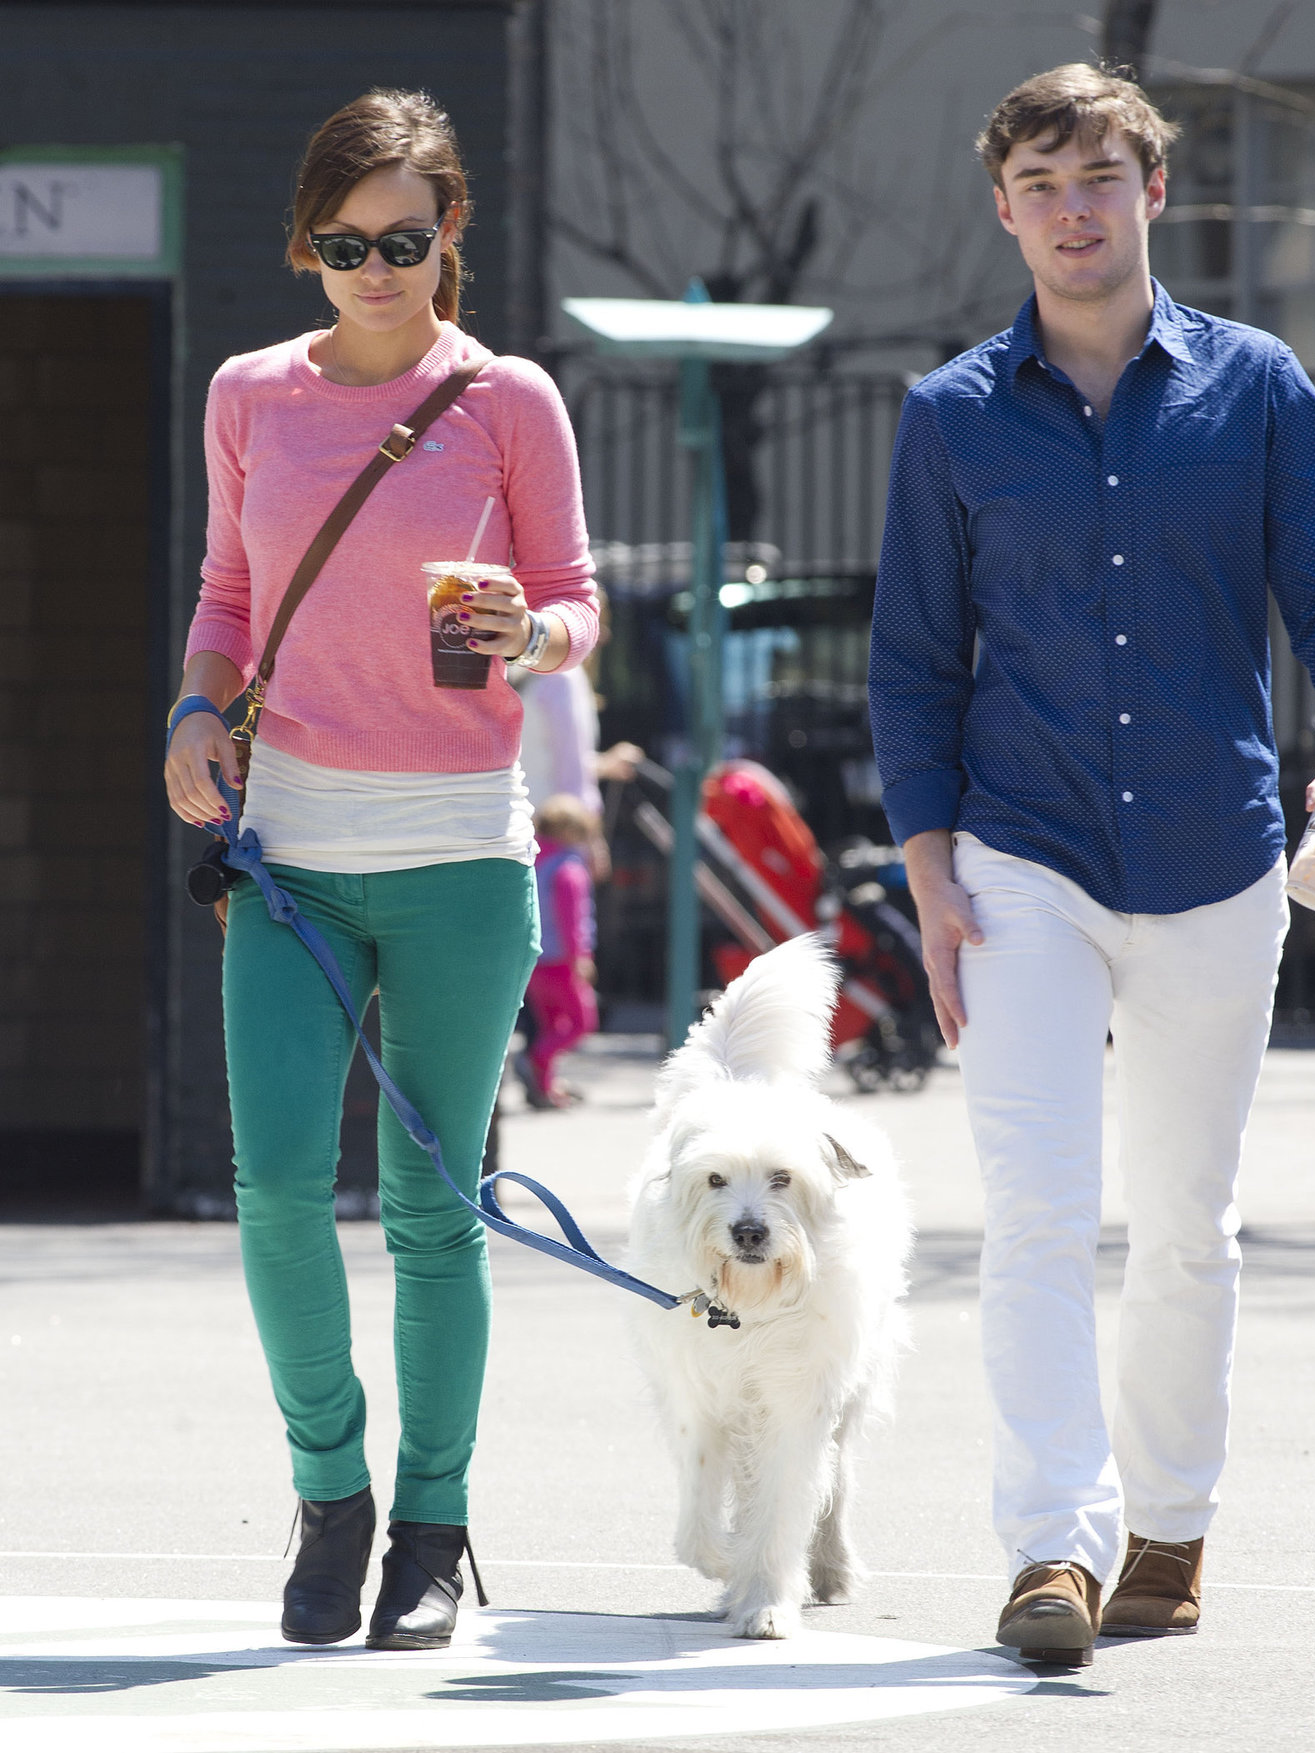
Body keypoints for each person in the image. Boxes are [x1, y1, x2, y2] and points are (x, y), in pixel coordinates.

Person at [868, 63, 1315, 1665]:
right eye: (1040, 185)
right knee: (1035, 1210)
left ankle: (1170, 1525)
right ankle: (1051, 1551)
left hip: (1222, 855)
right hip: (1024, 857)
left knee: (1186, 1220)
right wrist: (929, 865)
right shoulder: (949, 414)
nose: (1072, 210)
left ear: (1152, 191)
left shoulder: (1254, 388)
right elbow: (912, 664)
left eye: (1099, 177)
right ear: (1005, 208)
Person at [162, 89, 597, 1651]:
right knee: (277, 1189)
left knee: (432, 1207)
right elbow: (227, 587)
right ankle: (330, 1494)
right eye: (344, 246)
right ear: (305, 247)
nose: (375, 271)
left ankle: (432, 1527)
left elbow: (574, 597)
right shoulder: (248, 397)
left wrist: (532, 636)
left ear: (448, 234)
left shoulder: (505, 399)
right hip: (289, 855)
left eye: (404, 241)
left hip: (461, 856)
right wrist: (195, 709)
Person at [518, 793, 599, 1109]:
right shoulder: (568, 868)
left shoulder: (534, 861)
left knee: (550, 1025)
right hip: (562, 960)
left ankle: (545, 1086)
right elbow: (572, 919)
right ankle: (534, 1060)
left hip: (536, 959)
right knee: (581, 1023)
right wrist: (581, 957)